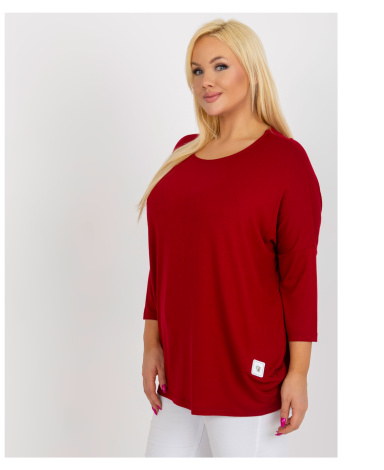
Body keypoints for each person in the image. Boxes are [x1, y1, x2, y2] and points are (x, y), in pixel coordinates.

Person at [136, 18, 322, 458]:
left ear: (251, 70)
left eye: (220, 66)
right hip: (179, 374)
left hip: (246, 377)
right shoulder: (183, 153)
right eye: (197, 70)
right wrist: (150, 343)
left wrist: (299, 373)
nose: (206, 81)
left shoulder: (286, 161)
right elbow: (162, 262)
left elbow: (298, 277)